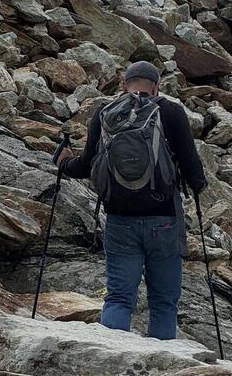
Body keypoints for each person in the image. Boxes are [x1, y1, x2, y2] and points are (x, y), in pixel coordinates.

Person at [56, 60, 207, 340]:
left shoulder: (105, 113)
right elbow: (192, 169)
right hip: (163, 220)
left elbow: (88, 165)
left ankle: (113, 360)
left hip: (119, 220)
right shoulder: (171, 111)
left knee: (118, 298)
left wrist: (64, 163)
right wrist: (197, 185)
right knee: (163, 302)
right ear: (156, 86)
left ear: (124, 85)